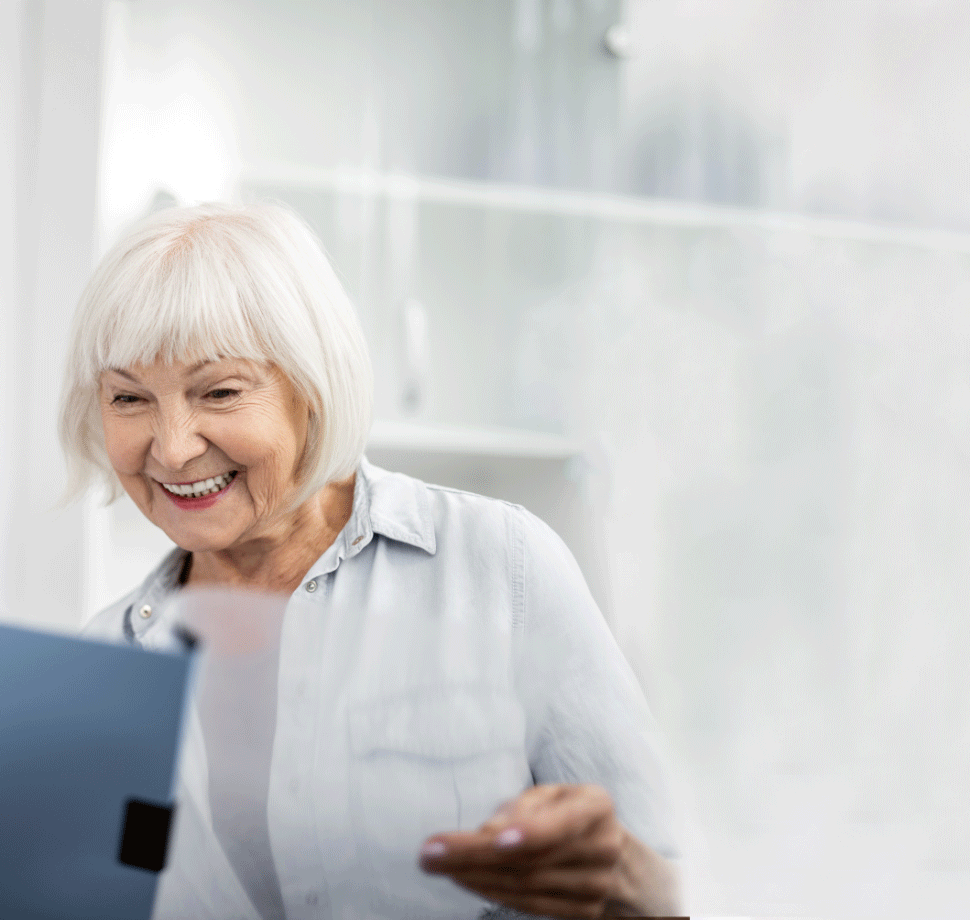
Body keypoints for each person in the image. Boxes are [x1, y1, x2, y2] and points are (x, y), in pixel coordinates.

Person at [61, 201, 681, 919]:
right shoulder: (105, 661)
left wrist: (625, 881)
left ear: (312, 385)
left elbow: (678, 880)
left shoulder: (497, 568)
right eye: (129, 398)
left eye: (221, 391)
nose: (171, 448)